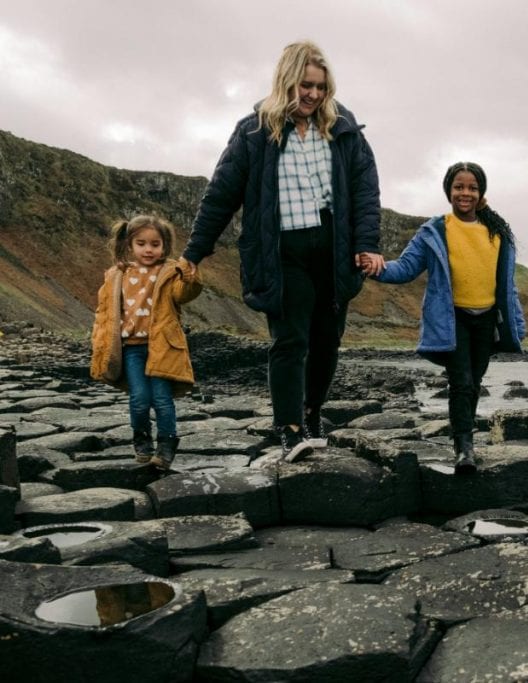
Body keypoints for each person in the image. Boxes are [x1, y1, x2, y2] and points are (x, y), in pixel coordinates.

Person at [181, 40, 384, 462]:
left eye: (320, 88)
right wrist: (193, 253)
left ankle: (312, 413)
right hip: (282, 251)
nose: (312, 95)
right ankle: (289, 429)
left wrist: (366, 245)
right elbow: (220, 196)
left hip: (333, 249)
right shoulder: (253, 131)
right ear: (286, 80)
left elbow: (365, 189)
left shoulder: (342, 127)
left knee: (327, 340)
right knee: (291, 339)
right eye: (305, 85)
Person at [366, 162, 526, 473]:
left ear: (481, 193)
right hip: (453, 320)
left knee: (474, 382)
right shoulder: (434, 231)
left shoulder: (497, 233)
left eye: (472, 188)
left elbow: (509, 285)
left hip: (487, 320)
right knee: (461, 382)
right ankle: (464, 448)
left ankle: (467, 442)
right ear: (448, 191)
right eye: (459, 187)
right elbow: (405, 268)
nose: (465, 193)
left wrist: (517, 323)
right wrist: (377, 267)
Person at [90, 215, 203, 470]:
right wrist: (99, 343)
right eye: (141, 243)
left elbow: (184, 294)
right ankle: (142, 442)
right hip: (131, 349)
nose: (149, 249)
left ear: (164, 246)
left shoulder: (170, 271)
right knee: (139, 398)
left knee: (162, 399)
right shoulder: (115, 275)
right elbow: (104, 312)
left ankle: (166, 445)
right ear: (130, 245)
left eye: (155, 244)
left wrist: (190, 277)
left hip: (161, 346)